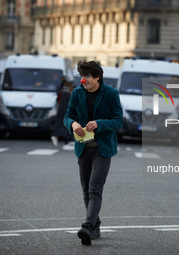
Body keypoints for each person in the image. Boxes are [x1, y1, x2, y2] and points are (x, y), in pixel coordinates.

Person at [63, 61, 123, 245]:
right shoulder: (77, 93)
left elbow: (118, 121)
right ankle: (95, 225)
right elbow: (68, 117)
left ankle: (88, 226)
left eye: (87, 77)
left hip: (102, 149)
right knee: (85, 191)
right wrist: (73, 124)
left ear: (97, 77)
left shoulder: (111, 94)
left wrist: (99, 123)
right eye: (82, 76)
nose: (83, 80)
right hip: (83, 148)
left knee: (95, 188)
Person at [51, 76, 74, 150]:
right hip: (66, 112)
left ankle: (56, 137)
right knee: (66, 127)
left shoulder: (62, 91)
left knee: (61, 126)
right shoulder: (67, 92)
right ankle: (65, 143)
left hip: (61, 111)